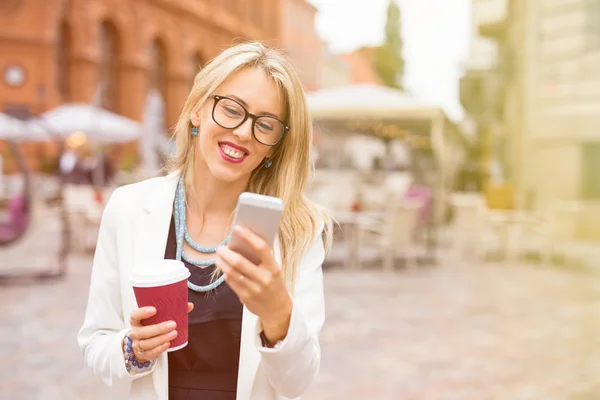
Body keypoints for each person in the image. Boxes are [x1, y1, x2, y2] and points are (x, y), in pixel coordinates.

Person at [77, 42, 332, 400]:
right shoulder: (129, 209)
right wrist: (132, 350)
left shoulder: (299, 230)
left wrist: (279, 317)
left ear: (274, 145)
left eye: (266, 124)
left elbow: (297, 383)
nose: (244, 131)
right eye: (231, 110)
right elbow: (96, 341)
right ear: (198, 109)